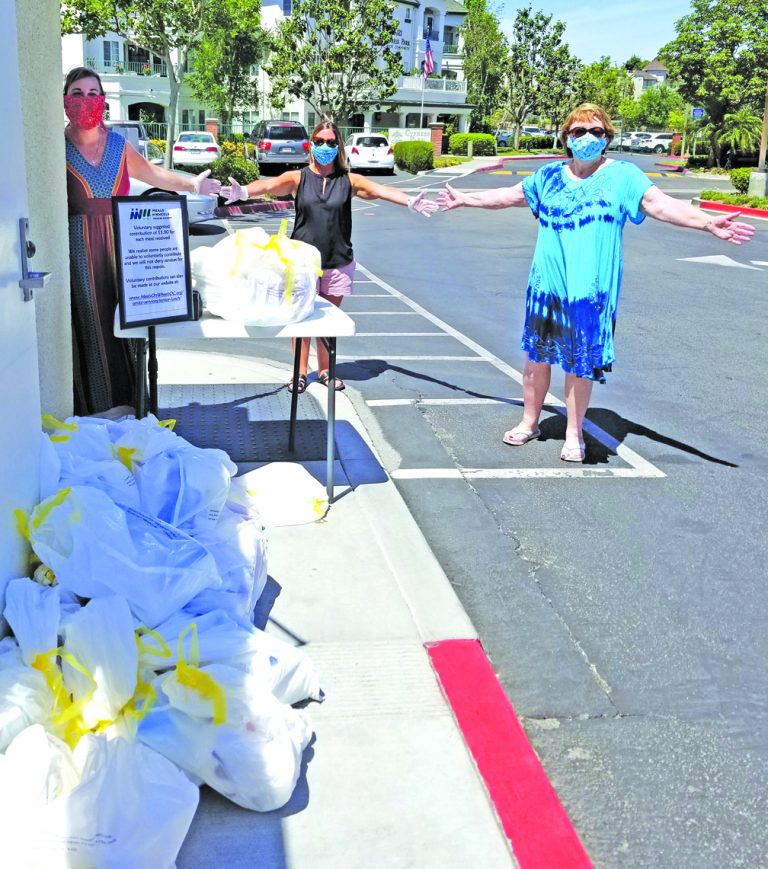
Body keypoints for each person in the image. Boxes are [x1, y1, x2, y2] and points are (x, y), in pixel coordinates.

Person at [436, 103, 754, 462]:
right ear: (567, 139)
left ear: (607, 138)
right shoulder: (549, 177)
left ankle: (574, 433)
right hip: (547, 285)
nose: (587, 138)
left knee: (579, 361)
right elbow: (508, 196)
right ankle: (530, 422)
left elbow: (661, 204)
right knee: (536, 357)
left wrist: (706, 223)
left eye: (596, 131)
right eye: (578, 131)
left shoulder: (624, 177)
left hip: (591, 290)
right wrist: (465, 198)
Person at [221, 119, 437, 392]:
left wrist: (408, 200)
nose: (325, 146)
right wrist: (242, 192)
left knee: (328, 322)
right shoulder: (297, 178)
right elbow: (267, 185)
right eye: (320, 141)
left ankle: (325, 370)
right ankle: (299, 373)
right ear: (312, 144)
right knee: (299, 319)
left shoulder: (348, 180)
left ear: (339, 147)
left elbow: (380, 190)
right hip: (301, 265)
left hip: (337, 262)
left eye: (331, 143)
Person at [64, 66, 221, 415]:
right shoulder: (55, 148)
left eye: (93, 93)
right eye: (77, 93)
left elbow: (155, 174)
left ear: (102, 100)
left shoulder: (118, 145)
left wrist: (194, 184)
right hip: (77, 257)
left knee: (128, 327)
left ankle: (131, 407)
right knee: (90, 328)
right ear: (65, 99)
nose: (85, 100)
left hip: (122, 252)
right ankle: (93, 412)